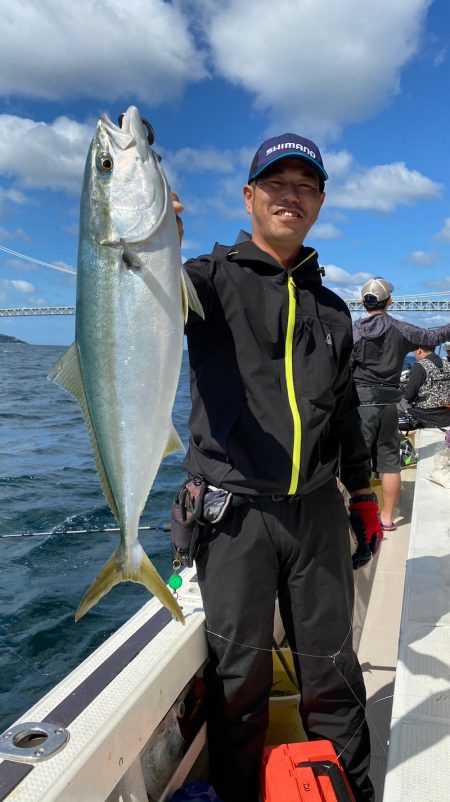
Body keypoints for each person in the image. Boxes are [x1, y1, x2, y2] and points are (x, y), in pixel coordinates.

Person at [172, 133, 383, 802]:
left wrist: (366, 493)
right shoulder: (204, 281)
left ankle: (352, 788)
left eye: (305, 185)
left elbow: (347, 414)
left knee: (334, 670)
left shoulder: (334, 308)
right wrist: (151, 241)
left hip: (318, 508)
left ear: (319, 200)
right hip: (233, 514)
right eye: (276, 182)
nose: (290, 194)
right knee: (240, 679)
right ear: (249, 195)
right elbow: (146, 295)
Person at [352, 278, 450, 531]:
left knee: (357, 461)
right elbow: (434, 335)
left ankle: (362, 517)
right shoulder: (401, 329)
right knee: (390, 462)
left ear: (363, 302)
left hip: (360, 404)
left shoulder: (352, 331)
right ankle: (386, 519)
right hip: (389, 404)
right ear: (390, 301)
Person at [402, 344, 450, 428]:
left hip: (424, 416)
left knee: (394, 414)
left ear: (419, 350)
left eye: (414, 352)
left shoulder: (419, 366)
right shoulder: (448, 364)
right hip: (446, 415)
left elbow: (408, 396)